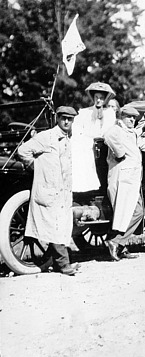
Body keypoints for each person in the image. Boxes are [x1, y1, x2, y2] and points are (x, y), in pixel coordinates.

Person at [17, 106, 79, 275]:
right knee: (56, 227)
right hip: (48, 191)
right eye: (63, 118)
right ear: (57, 119)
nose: (66, 121)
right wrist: (36, 167)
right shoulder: (47, 137)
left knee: (61, 227)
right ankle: (64, 265)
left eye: (70, 119)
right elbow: (23, 151)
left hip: (63, 192)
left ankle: (54, 261)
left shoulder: (67, 140)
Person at [104, 106, 145, 261]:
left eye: (134, 118)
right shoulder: (116, 130)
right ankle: (116, 242)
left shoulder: (131, 132)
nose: (132, 120)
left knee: (130, 213)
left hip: (132, 179)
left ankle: (120, 245)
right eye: (128, 117)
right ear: (121, 117)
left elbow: (140, 143)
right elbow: (107, 137)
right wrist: (119, 153)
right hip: (122, 179)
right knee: (132, 212)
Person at [71, 82, 117, 192]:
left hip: (104, 147)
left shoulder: (110, 113)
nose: (99, 100)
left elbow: (109, 130)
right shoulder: (84, 112)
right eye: (96, 97)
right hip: (86, 145)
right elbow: (77, 128)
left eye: (101, 98)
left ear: (105, 99)